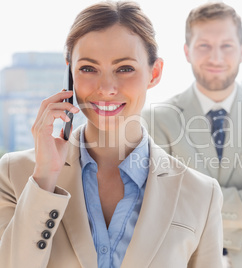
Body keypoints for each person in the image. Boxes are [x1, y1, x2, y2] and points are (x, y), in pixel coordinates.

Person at [0, 2, 224, 268]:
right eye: (88, 69)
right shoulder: (15, 174)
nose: (106, 88)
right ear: (70, 72)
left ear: (154, 73)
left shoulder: (200, 193)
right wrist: (46, 176)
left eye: (124, 68)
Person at [143, 2, 242, 268]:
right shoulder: (158, 118)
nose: (216, 57)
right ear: (187, 52)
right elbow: (159, 208)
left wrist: (196, 199)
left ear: (241, 52)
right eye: (204, 45)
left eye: (226, 46)